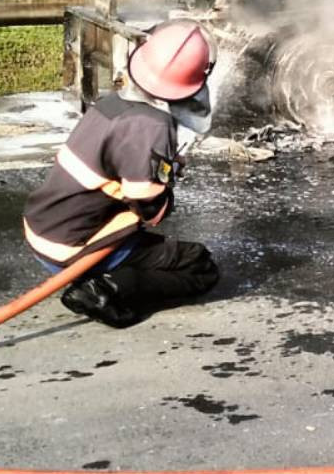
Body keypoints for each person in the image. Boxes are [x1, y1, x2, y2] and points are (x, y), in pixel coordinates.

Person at [22, 21, 221, 328]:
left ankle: (104, 278)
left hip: (43, 229)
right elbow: (148, 207)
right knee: (199, 265)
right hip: (71, 249)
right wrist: (168, 178)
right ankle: (103, 290)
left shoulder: (111, 104)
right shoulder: (153, 125)